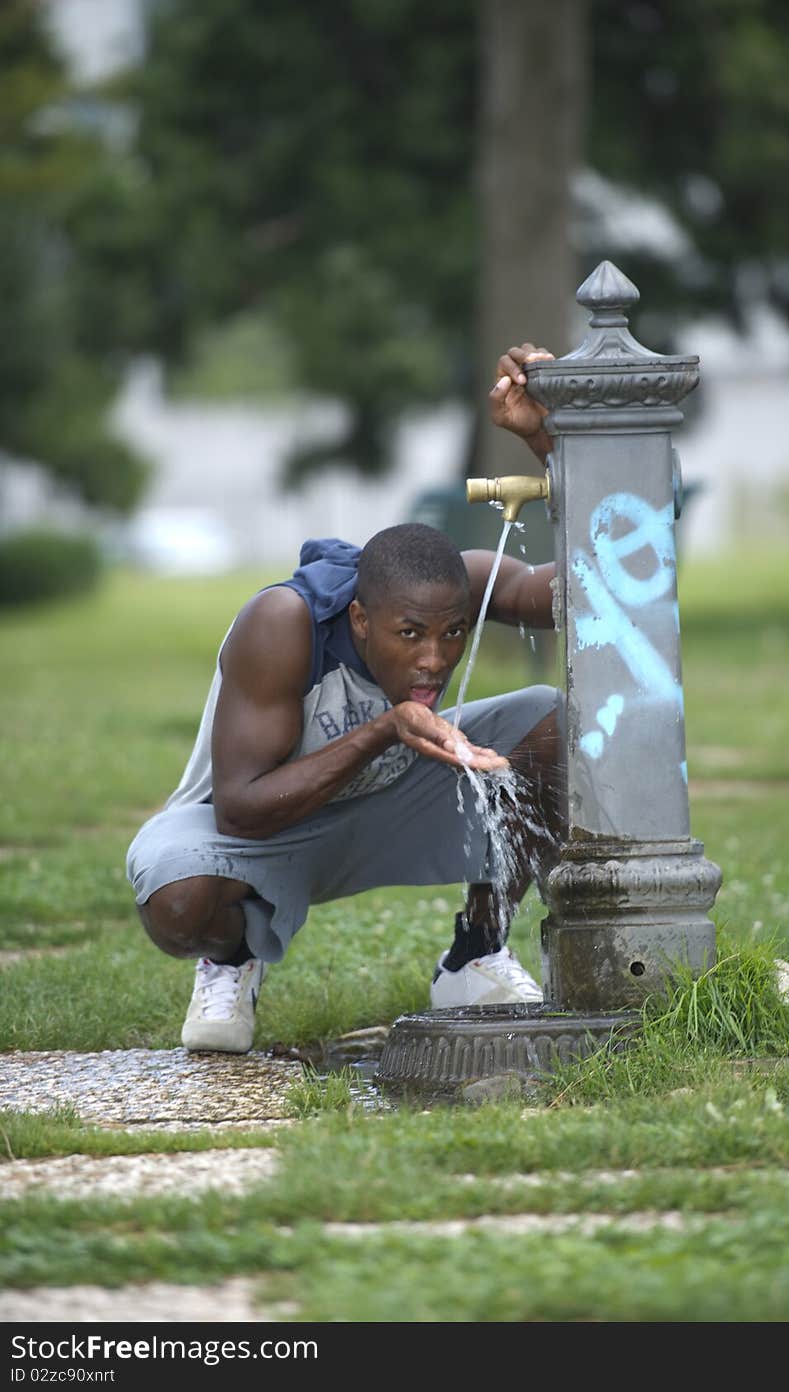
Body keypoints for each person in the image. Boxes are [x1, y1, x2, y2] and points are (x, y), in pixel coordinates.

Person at [126, 344, 559, 1052]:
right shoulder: (283, 624)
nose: (434, 656)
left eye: (452, 633)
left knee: (547, 719)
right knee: (177, 902)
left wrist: (547, 441)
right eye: (410, 634)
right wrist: (386, 729)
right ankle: (232, 958)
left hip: (389, 801)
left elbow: (581, 588)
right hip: (260, 829)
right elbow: (238, 809)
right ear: (360, 620)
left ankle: (475, 953)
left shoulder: (454, 584)